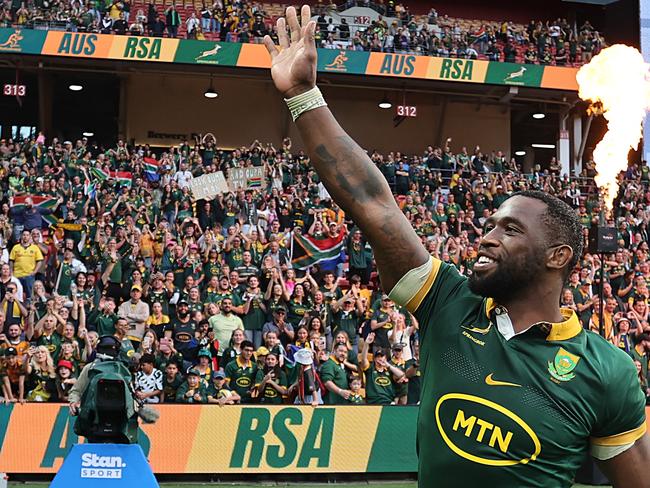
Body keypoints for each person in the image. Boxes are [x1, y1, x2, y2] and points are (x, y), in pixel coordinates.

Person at [262, 7, 649, 485]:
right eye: (489, 224)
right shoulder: (449, 301)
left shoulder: (606, 371)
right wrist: (303, 95)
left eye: (510, 229)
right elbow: (373, 203)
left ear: (558, 256)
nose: (486, 236)